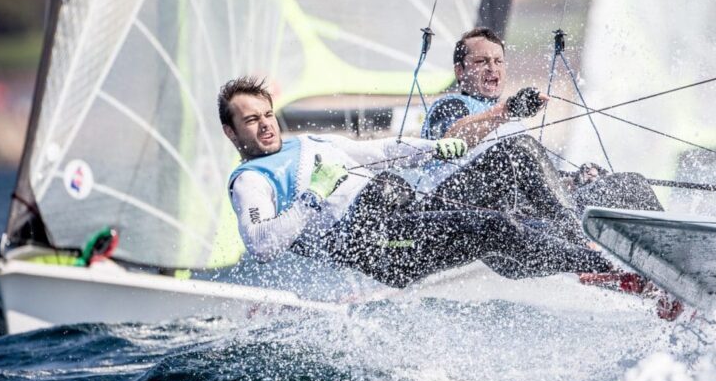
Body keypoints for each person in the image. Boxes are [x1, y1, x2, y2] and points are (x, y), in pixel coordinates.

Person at [219, 76, 617, 289]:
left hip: (407, 211)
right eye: (251, 120)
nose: (265, 125)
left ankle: (588, 243)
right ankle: (608, 267)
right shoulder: (252, 179)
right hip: (378, 244)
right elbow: (263, 246)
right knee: (494, 227)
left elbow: (380, 151)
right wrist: (313, 196)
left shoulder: (309, 143)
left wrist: (435, 148)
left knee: (511, 155)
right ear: (231, 132)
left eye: (266, 114)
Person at [420, 28, 663, 213]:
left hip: (527, 211)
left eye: (498, 61)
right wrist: (506, 110)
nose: (492, 68)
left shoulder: (508, 119)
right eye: (481, 61)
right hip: (469, 210)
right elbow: (449, 141)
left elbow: (534, 184)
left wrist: (573, 182)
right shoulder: (451, 105)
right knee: (522, 150)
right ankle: (590, 248)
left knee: (629, 184)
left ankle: (663, 261)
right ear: (460, 71)